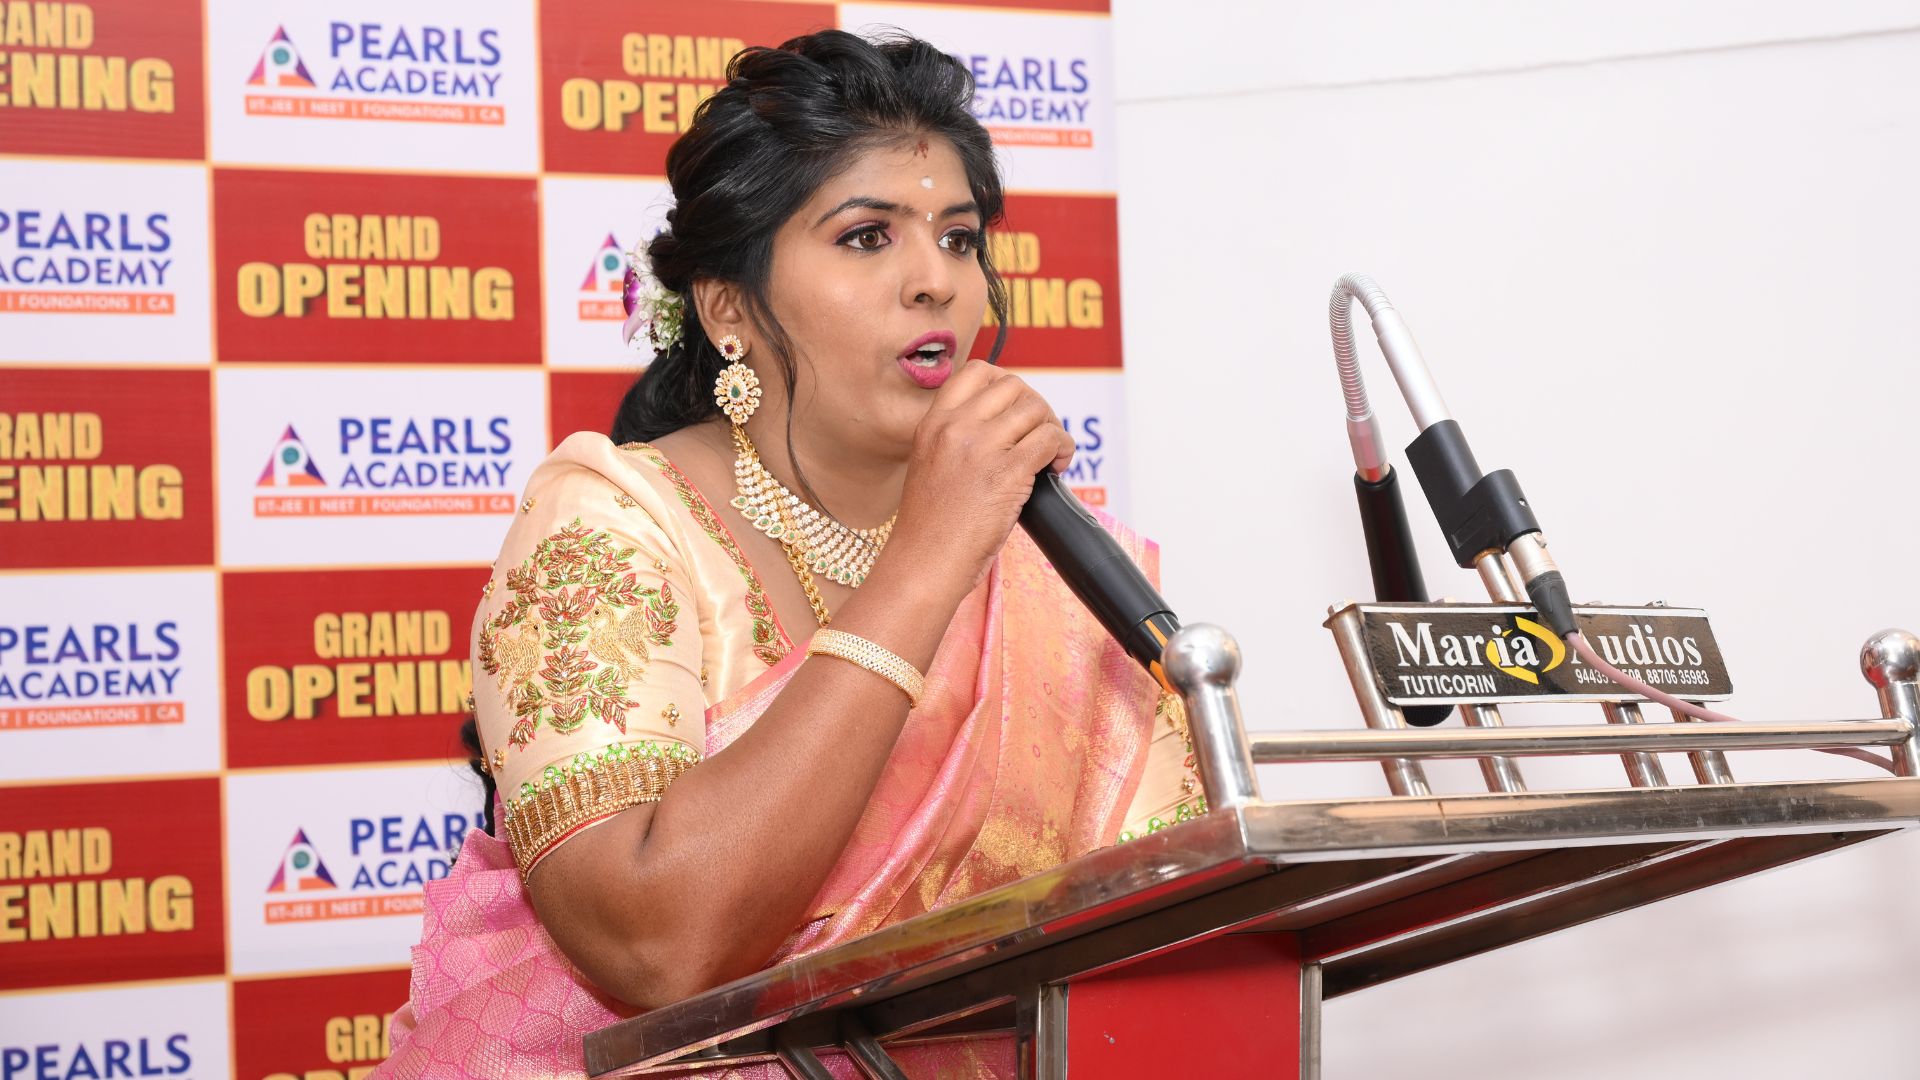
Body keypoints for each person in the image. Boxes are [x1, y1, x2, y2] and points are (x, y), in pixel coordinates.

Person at [377, 29, 1199, 1079]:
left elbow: (1178, 914)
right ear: (729, 306)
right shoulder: (615, 520)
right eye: (867, 237)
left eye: (959, 238)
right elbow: (655, 943)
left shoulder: (1060, 569)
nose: (936, 281)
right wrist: (930, 558)